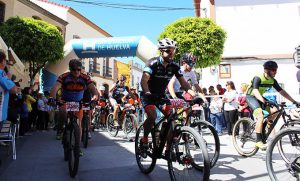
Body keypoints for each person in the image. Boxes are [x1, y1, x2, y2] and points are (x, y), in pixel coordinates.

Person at [140, 38, 195, 151]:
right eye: (168, 51)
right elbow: (144, 81)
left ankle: (167, 148)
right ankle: (144, 138)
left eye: (173, 51)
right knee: (152, 116)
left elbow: (184, 83)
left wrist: (193, 93)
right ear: (161, 51)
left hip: (160, 95)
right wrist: (147, 92)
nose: (171, 53)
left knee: (171, 119)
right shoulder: (152, 63)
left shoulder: (174, 66)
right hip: (148, 95)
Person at [246, 61, 299, 150]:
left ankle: (263, 128)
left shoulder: (272, 80)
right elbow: (255, 91)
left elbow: (281, 91)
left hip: (260, 97)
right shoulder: (258, 77)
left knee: (274, 110)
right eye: (274, 70)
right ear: (267, 70)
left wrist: (294, 101)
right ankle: (258, 141)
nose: (275, 72)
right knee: (260, 115)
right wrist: (264, 101)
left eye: (276, 70)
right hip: (251, 97)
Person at [50, 59, 99, 156]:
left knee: (79, 125)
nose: (76, 71)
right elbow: (55, 87)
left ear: (80, 69)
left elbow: (93, 89)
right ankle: (61, 128)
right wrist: (52, 97)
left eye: (78, 69)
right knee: (62, 112)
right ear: (70, 69)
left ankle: (77, 147)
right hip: (66, 101)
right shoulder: (64, 77)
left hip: (78, 102)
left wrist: (95, 97)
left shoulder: (85, 77)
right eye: (74, 69)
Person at [0, 50, 19, 130]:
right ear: (2, 61)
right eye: (5, 60)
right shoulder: (1, 73)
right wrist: (9, 78)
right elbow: (14, 89)